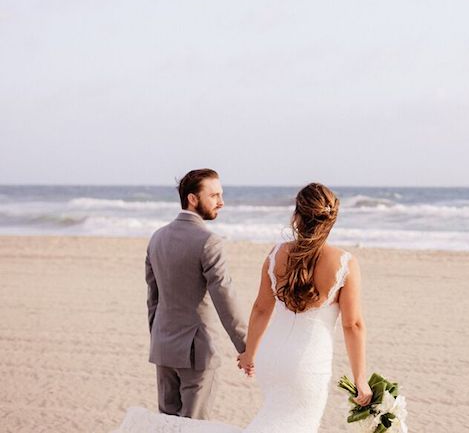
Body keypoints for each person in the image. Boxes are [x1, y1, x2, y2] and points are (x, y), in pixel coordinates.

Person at [114, 182, 372, 433]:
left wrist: (250, 353)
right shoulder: (344, 262)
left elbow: (261, 309)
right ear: (331, 219)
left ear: (297, 215)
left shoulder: (277, 254)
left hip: (271, 358)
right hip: (308, 364)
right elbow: (353, 324)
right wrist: (360, 379)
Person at [145, 168, 248, 419]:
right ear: (192, 198)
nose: (221, 203)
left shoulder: (156, 238)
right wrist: (245, 346)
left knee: (167, 424)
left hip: (163, 346)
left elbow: (153, 298)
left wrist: (158, 336)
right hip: (196, 352)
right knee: (194, 425)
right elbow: (224, 295)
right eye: (214, 196)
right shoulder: (209, 241)